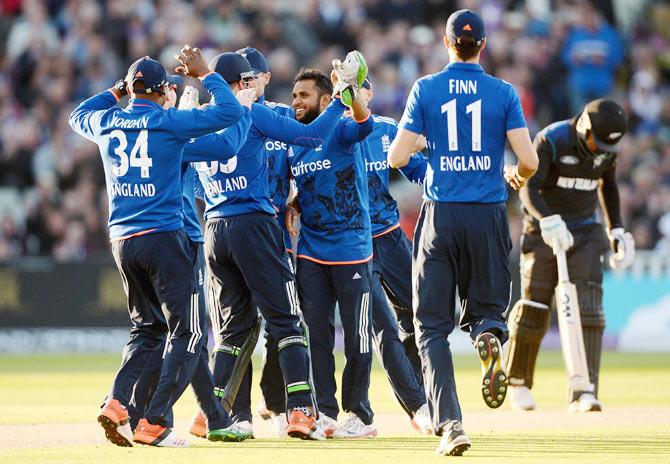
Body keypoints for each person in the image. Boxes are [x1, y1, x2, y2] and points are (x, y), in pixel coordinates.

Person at [69, 46, 248, 447]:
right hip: (164, 237)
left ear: (132, 89)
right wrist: (205, 75)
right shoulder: (170, 124)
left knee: (146, 328)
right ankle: (153, 421)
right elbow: (230, 115)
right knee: (189, 333)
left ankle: (118, 401)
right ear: (163, 88)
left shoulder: (108, 121)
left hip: (121, 240)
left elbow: (77, 114)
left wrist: (116, 92)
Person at [388, 9, 538, 456]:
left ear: (446, 42)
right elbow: (529, 160)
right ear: (484, 45)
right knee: (489, 308)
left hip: (442, 214)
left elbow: (396, 156)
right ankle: (488, 333)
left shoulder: (426, 89)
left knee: (431, 326)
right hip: (488, 212)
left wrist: (428, 144)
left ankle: (451, 423)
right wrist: (514, 176)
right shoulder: (503, 91)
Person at [182, 52, 352, 441]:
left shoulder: (198, 120)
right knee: (287, 321)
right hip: (254, 225)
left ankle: (211, 411)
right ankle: (300, 411)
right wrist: (341, 98)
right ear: (240, 83)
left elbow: (186, 177)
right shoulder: (249, 111)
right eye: (248, 80)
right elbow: (309, 136)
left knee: (233, 330)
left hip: (215, 227)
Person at [127, 84, 255, 443]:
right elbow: (226, 146)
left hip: (157, 237)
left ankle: (213, 417)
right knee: (188, 333)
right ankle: (146, 416)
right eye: (170, 91)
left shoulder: (149, 132)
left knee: (183, 333)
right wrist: (241, 113)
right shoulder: (170, 133)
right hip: (182, 239)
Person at [506, 98, 634, 412]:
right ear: (584, 128)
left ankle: (585, 389)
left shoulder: (604, 148)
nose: (601, 150)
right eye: (597, 142)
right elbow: (528, 187)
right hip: (543, 229)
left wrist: (615, 228)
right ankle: (518, 382)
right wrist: (548, 219)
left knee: (588, 304)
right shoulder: (551, 139)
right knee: (535, 306)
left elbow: (609, 185)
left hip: (585, 229)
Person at [284, 63, 377, 439]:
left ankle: (361, 413)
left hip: (352, 248)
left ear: (325, 99)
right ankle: (325, 411)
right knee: (316, 337)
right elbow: (303, 186)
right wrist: (293, 202)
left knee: (357, 337)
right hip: (310, 251)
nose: (296, 102)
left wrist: (349, 91)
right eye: (293, 96)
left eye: (303, 95)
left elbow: (365, 125)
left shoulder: (340, 127)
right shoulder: (294, 140)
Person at [357, 77, 432, 433]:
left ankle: (423, 394)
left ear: (369, 94)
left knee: (417, 317)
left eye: (358, 90)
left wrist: (446, 178)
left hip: (390, 237)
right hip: (354, 244)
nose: (352, 98)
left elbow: (418, 172)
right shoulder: (333, 133)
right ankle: (417, 406)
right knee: (382, 327)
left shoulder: (387, 130)